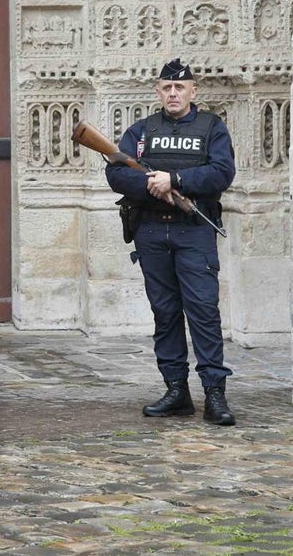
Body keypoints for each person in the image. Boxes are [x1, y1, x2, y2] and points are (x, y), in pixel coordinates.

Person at [105, 58, 238, 426]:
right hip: (151, 231)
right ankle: (176, 389)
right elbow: (115, 172)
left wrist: (176, 179)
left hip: (193, 230)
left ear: (193, 91)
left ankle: (214, 392)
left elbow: (222, 171)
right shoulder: (142, 131)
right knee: (165, 314)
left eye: (180, 88)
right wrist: (151, 185)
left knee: (203, 313)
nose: (174, 93)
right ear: (158, 92)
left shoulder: (211, 127)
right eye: (167, 87)